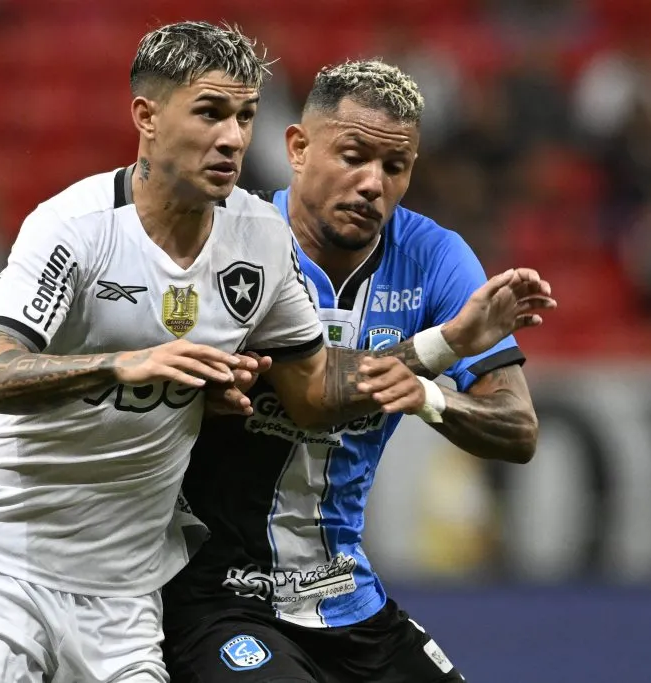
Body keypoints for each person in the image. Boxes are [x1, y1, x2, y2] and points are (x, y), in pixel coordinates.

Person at [0, 24, 552, 683]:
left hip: (128, 591)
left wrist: (439, 354)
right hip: (10, 563)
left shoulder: (259, 240)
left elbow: (314, 391)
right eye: (212, 114)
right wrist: (124, 364)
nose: (232, 137)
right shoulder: (72, 228)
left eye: (244, 116)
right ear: (147, 118)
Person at [163, 60, 554, 683]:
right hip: (216, 595)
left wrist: (430, 398)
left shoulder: (435, 257)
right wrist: (437, 349)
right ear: (298, 148)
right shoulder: (234, 240)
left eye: (393, 168)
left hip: (345, 591)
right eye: (353, 156)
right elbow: (310, 395)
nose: (373, 183)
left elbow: (518, 427)